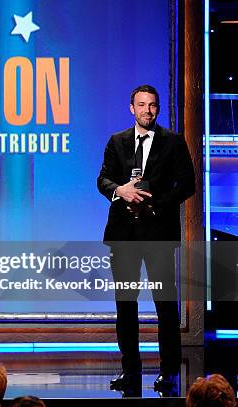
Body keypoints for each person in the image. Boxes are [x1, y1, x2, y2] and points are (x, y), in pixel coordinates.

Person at [97, 85, 195, 396]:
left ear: (158, 109)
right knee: (125, 306)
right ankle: (131, 371)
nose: (147, 111)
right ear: (131, 108)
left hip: (159, 236)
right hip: (123, 238)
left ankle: (168, 373)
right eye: (141, 105)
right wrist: (120, 190)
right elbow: (102, 179)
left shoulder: (173, 142)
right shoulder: (117, 142)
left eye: (152, 105)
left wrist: (156, 200)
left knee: (165, 306)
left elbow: (188, 184)